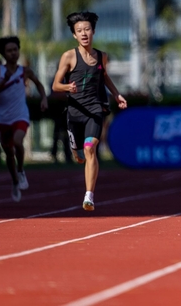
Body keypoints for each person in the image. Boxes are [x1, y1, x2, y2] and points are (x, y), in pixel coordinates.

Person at [52, 12, 127, 211]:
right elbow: (55, 85)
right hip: (75, 112)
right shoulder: (69, 56)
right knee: (79, 156)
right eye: (79, 31)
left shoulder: (102, 56)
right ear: (74, 35)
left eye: (87, 29)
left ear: (93, 31)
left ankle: (89, 196)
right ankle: (75, 151)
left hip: (95, 109)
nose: (84, 33)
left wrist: (117, 94)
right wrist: (68, 87)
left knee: (90, 148)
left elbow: (105, 77)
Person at [0, 37, 48, 202]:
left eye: (15, 50)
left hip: (20, 114)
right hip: (2, 117)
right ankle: (15, 181)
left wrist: (44, 98)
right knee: (8, 153)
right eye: (9, 51)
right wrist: (4, 80)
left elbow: (39, 84)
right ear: (3, 53)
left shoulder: (25, 71)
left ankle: (21, 170)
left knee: (17, 141)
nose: (13, 53)